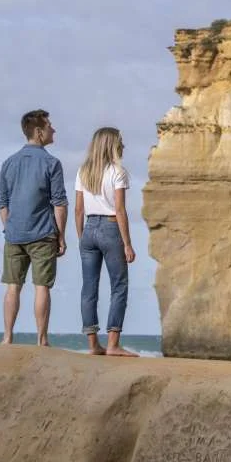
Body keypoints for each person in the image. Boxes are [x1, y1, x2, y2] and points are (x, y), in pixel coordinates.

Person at [0, 109, 67, 346]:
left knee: (12, 287)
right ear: (38, 132)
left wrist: (9, 228)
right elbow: (59, 204)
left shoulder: (8, 163)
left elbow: (3, 203)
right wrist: (61, 236)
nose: (53, 129)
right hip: (43, 234)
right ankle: (42, 340)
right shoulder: (51, 163)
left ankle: (7, 337)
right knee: (42, 287)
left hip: (14, 235)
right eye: (49, 126)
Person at [75, 127, 138, 357]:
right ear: (112, 145)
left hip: (89, 228)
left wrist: (82, 237)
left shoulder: (83, 171)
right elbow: (120, 210)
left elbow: (78, 209)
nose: (123, 145)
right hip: (111, 228)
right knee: (119, 286)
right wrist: (127, 243)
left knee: (88, 288)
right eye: (120, 141)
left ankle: (93, 345)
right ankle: (112, 345)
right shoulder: (118, 171)